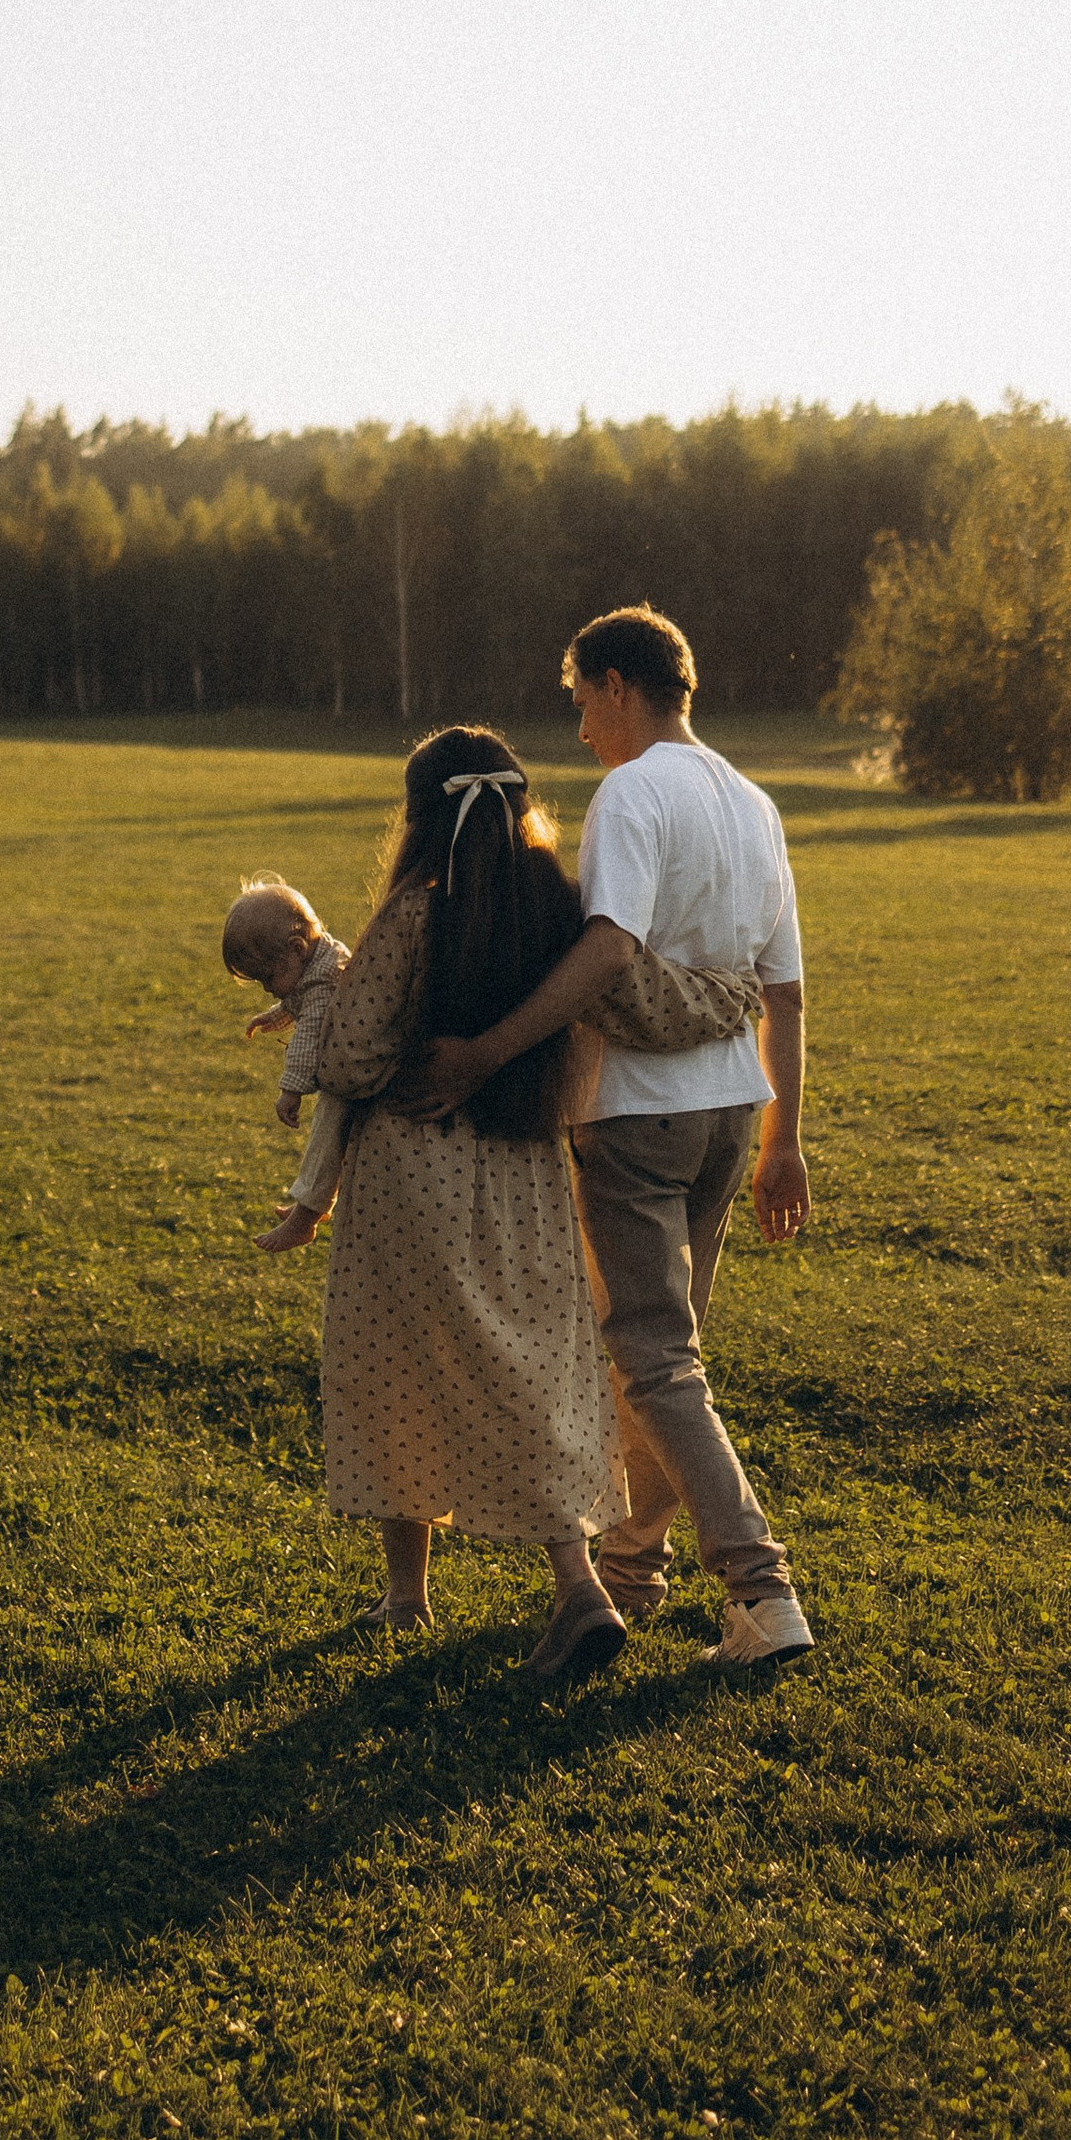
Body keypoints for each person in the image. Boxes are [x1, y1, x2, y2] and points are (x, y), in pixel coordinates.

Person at [399, 607, 814, 1670]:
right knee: (664, 1360)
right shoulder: (753, 802)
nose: (580, 723)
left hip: (637, 1110)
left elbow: (606, 953)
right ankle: (628, 1570)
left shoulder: (633, 792)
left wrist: (487, 1052)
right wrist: (783, 1140)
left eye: (581, 696)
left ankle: (762, 1595)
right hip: (731, 1108)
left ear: (620, 684)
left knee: (653, 1362)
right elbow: (786, 991)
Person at [305, 725, 630, 1681]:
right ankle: (570, 1577)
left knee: (398, 1369)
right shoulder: (556, 907)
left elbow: (351, 1057)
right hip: (525, 1174)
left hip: (415, 1175)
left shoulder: (419, 912)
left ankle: (429, 1594)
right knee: (520, 1368)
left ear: (420, 818)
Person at [221, 877, 353, 1249]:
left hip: (369, 1073)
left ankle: (306, 1217)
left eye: (267, 976)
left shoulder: (324, 981)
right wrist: (274, 1017)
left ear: (297, 949)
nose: (268, 987)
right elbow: (299, 1003)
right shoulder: (318, 963)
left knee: (329, 1127)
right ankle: (310, 1206)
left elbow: (309, 1034)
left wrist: (290, 1090)